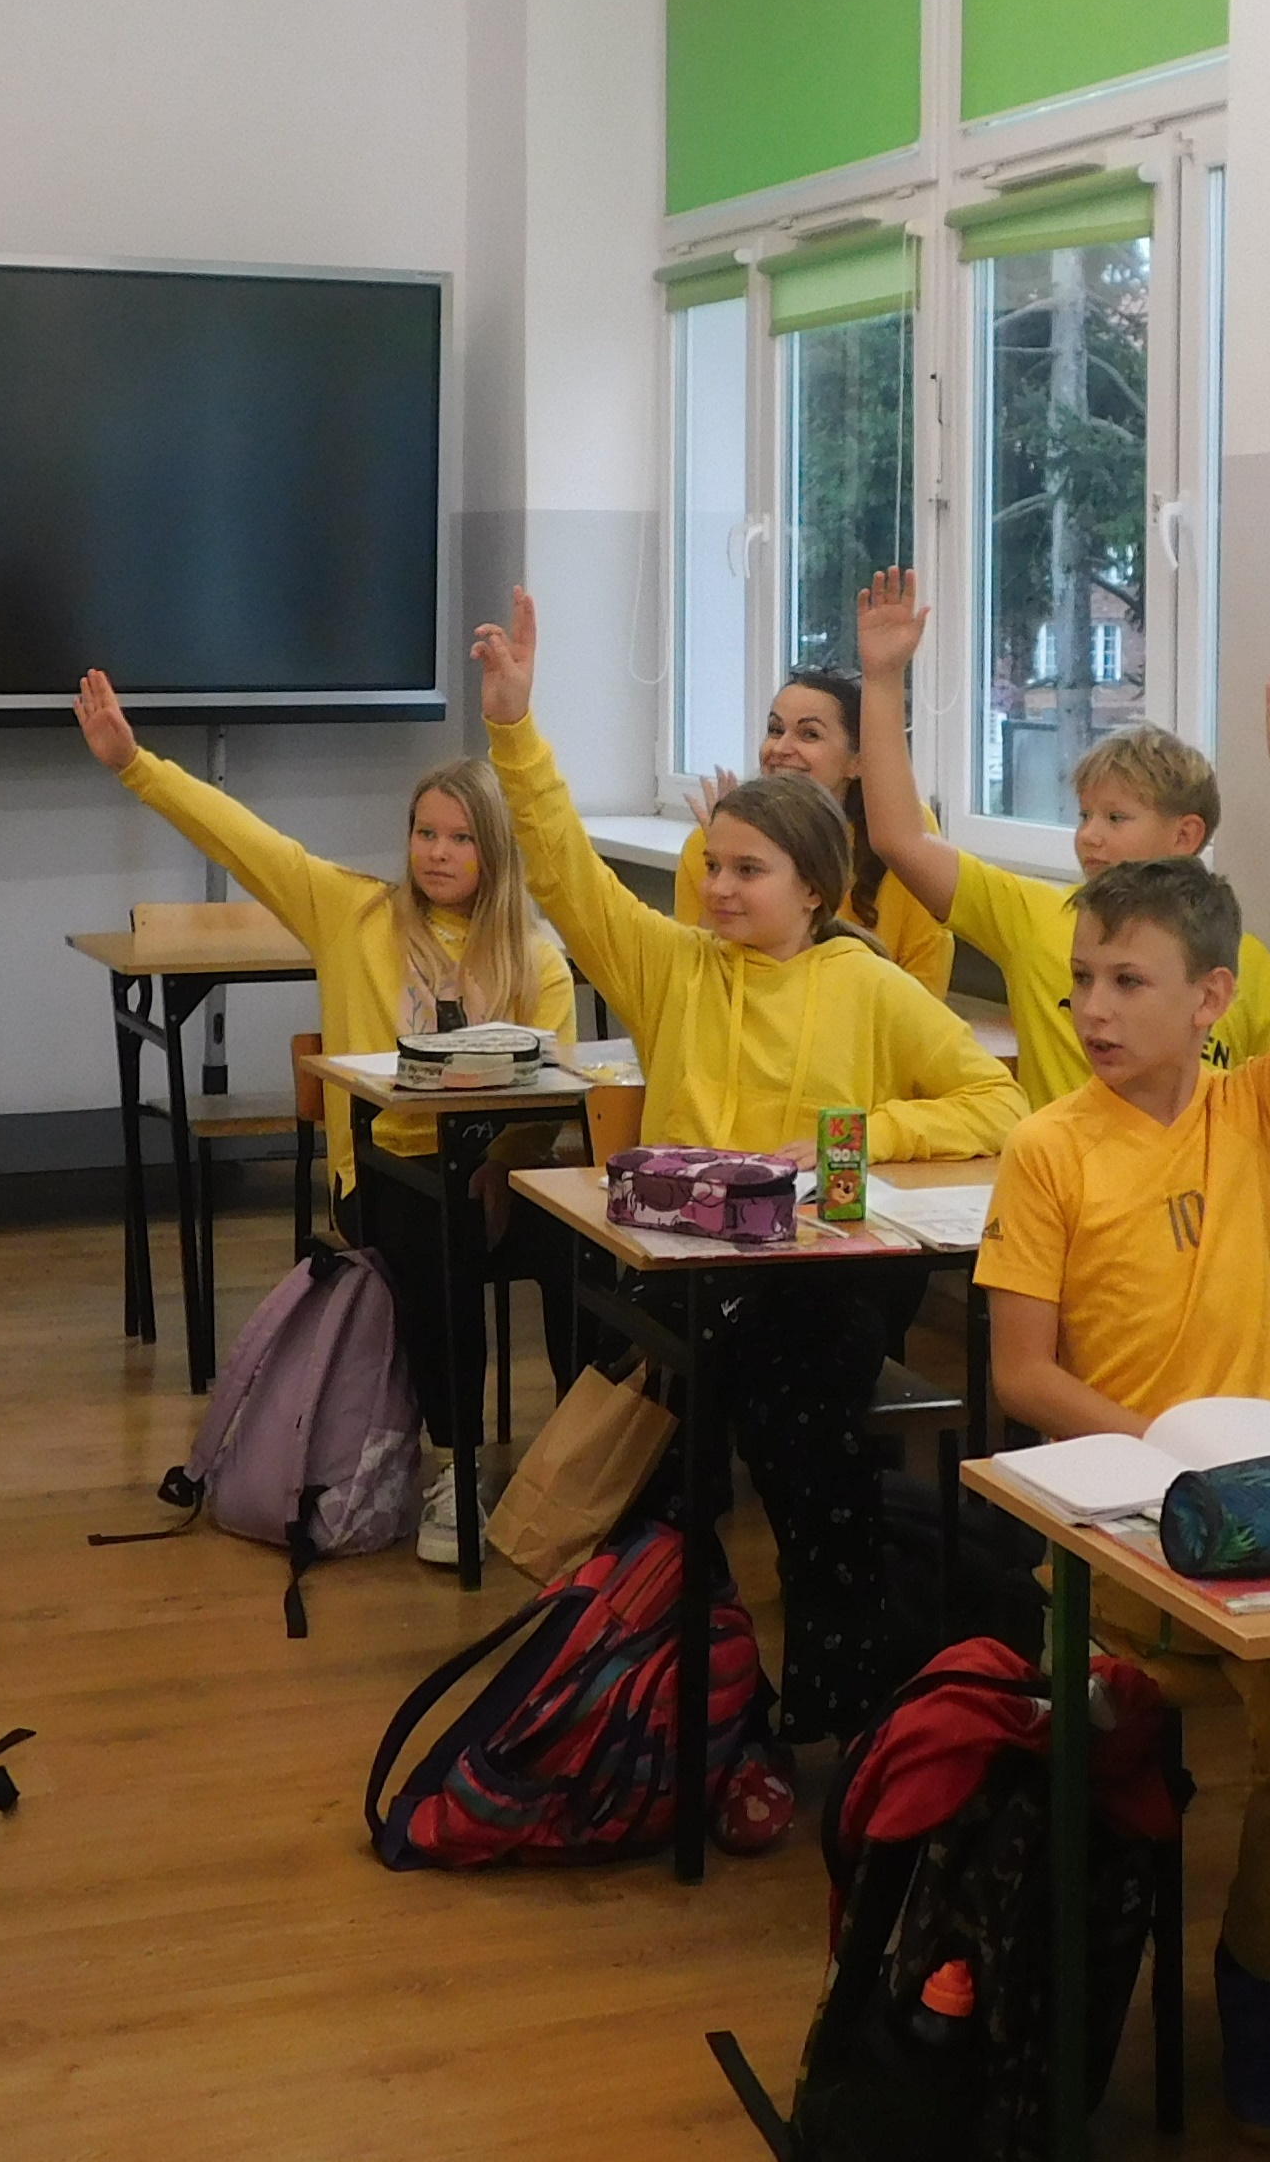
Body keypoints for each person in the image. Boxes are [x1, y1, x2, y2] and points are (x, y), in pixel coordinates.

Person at [473, 588, 1021, 1739]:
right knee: (717, 1446)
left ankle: (829, 1692)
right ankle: (691, 1684)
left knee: (802, 1435)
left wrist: (852, 1139)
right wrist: (515, 727)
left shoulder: (864, 981)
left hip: (817, 1272)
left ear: (813, 885)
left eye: (748, 869)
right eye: (714, 864)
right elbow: (563, 867)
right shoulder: (678, 965)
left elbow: (996, 1099)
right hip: (683, 1265)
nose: (719, 887)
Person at [974, 675, 1270, 2132]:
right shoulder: (1049, 1146)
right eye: (1082, 980)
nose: (1094, 1007)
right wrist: (1158, 1451)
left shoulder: (1248, 1110)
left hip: (1269, 1513)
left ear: (1210, 999)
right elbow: (1020, 1372)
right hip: (1125, 1532)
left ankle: (1269, 1985)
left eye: (1129, 982)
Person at [72, 671, 578, 1564]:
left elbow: (552, 1093)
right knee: (438, 1235)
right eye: (424, 832)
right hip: (382, 1175)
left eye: (460, 837)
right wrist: (135, 765)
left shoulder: (534, 956)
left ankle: (586, 1468)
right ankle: (456, 1468)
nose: (436, 852)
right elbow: (242, 840)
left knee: (593, 1247)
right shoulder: (356, 912)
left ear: (496, 851)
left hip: (495, 1173)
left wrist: (505, 1162)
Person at [852, 568, 1270, 1107]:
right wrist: (882, 679)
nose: (1089, 837)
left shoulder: (1250, 966)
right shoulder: (1035, 918)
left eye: (1116, 818)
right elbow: (901, 839)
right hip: (1065, 1159)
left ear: (1185, 834)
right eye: (1084, 816)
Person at [670, 666, 954, 998]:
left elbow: (926, 979)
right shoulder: (710, 843)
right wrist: (730, 858)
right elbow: (698, 979)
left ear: (859, 761)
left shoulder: (903, 835)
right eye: (775, 730)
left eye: (809, 735)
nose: (780, 748)